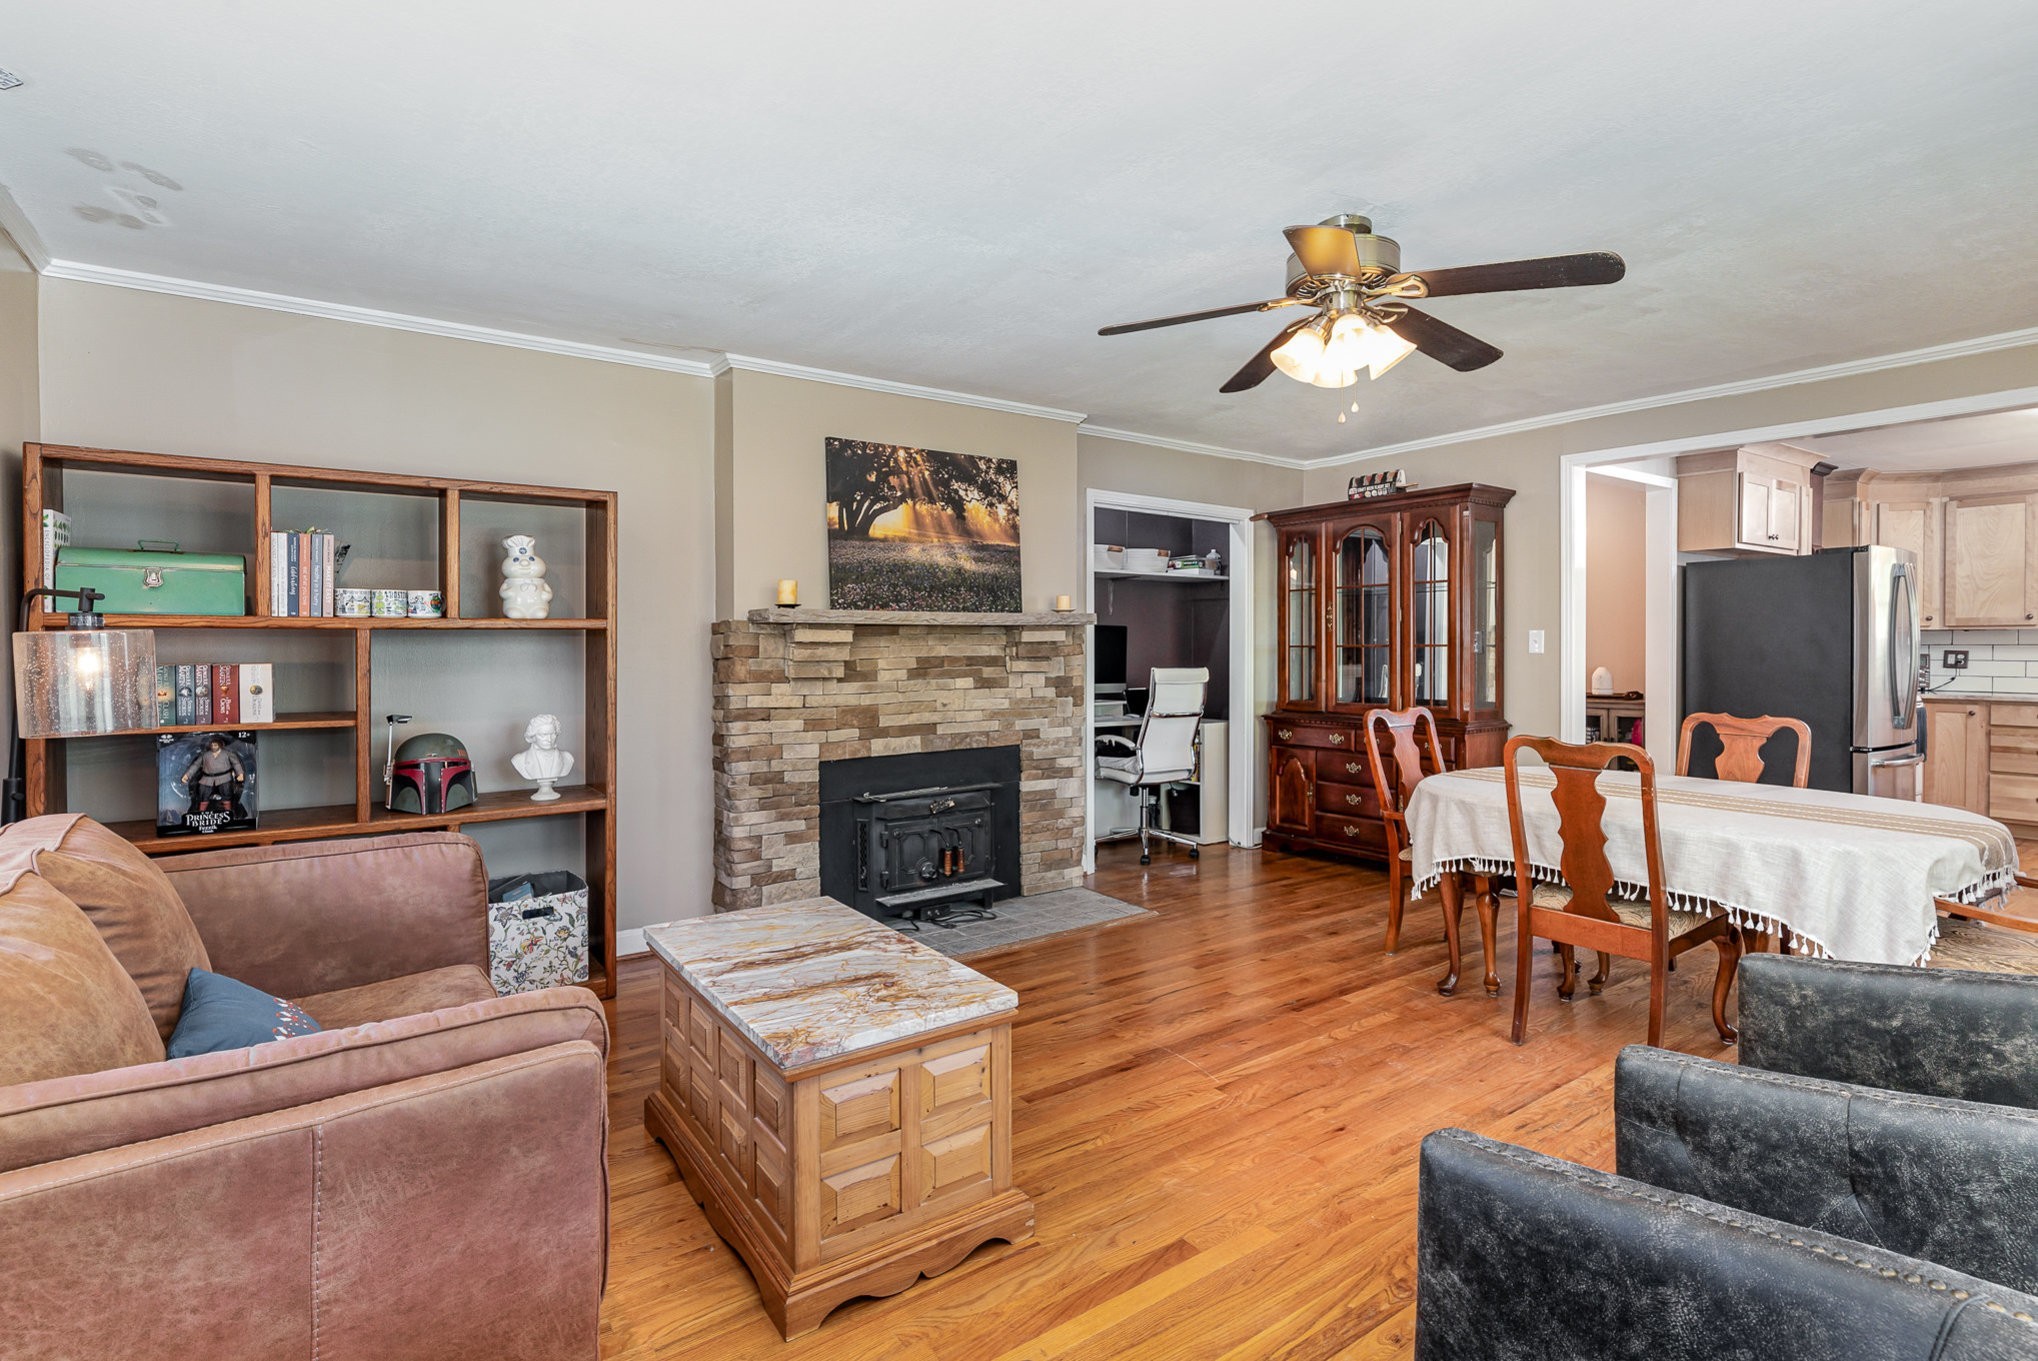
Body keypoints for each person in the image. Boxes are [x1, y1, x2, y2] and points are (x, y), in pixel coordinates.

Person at [511, 714, 573, 800]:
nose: (549, 739)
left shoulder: (568, 758)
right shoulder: (519, 760)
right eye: (543, 735)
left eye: (552, 734)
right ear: (533, 736)